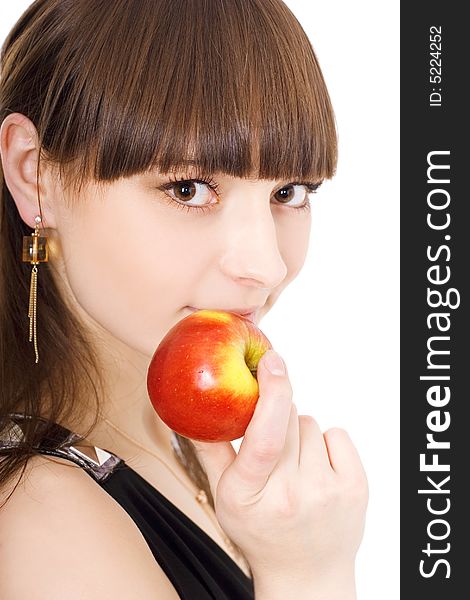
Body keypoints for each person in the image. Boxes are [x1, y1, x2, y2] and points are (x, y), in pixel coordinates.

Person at [0, 0, 369, 598]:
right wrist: (310, 572)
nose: (265, 264)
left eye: (290, 191)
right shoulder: (39, 517)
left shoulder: (183, 441)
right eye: (189, 188)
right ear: (35, 173)